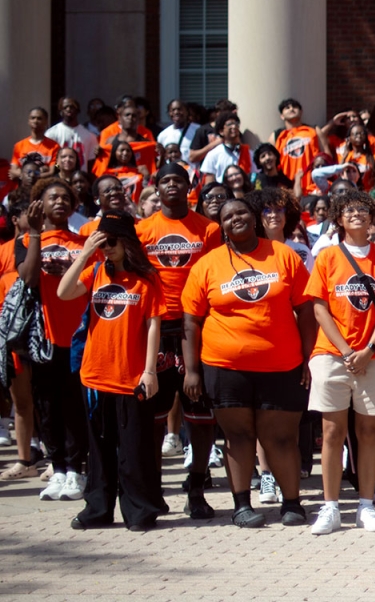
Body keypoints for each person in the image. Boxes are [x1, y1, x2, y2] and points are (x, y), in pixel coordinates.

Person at [181, 197, 314, 528]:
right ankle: (241, 506)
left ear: (254, 219)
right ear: (221, 226)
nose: (235, 219)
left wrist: (308, 357)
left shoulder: (283, 255)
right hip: (225, 367)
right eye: (227, 216)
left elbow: (306, 310)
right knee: (237, 436)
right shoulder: (207, 265)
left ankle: (292, 503)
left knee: (281, 437)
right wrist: (192, 370)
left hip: (282, 365)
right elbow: (191, 322)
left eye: (241, 212)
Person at [305, 191, 375, 535]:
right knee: (332, 431)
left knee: (369, 431)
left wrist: (369, 349)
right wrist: (347, 350)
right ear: (338, 219)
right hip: (332, 354)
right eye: (349, 210)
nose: (357, 214)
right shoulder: (327, 257)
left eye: (363, 209)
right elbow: (319, 308)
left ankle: (366, 506)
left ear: (372, 216)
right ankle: (331, 507)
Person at [56, 213, 164, 531]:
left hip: (131, 377)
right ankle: (98, 510)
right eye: (102, 242)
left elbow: (153, 325)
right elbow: (63, 292)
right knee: (99, 450)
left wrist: (150, 371)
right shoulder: (96, 271)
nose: (108, 248)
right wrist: (86, 254)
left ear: (128, 242)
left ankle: (140, 511)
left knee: (133, 449)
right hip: (95, 375)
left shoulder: (147, 278)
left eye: (112, 241)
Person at [136, 164, 222, 518]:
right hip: (155, 329)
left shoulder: (209, 229)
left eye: (178, 180)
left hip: (196, 328)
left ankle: (197, 487)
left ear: (189, 187)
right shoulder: (142, 230)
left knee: (200, 416)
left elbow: (214, 273)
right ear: (156, 188)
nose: (172, 184)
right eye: (165, 180)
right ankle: (153, 492)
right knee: (153, 417)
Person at [19, 177, 91, 502]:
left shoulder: (84, 242)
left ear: (74, 205)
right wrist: (35, 234)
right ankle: (58, 468)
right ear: (40, 204)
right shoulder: (26, 241)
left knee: (75, 407)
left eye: (65, 198)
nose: (60, 202)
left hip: (79, 339)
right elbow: (29, 277)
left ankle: (76, 470)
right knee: (48, 408)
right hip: (44, 340)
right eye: (53, 197)